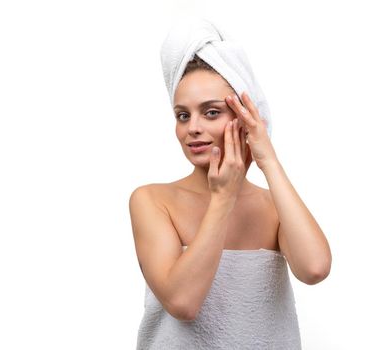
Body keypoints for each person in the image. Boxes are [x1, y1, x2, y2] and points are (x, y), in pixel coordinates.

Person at [130, 21, 332, 349]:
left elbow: (315, 268)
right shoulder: (153, 201)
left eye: (211, 112)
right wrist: (222, 198)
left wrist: (269, 161)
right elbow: (183, 302)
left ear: (244, 118)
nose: (193, 127)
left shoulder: (273, 208)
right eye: (183, 115)